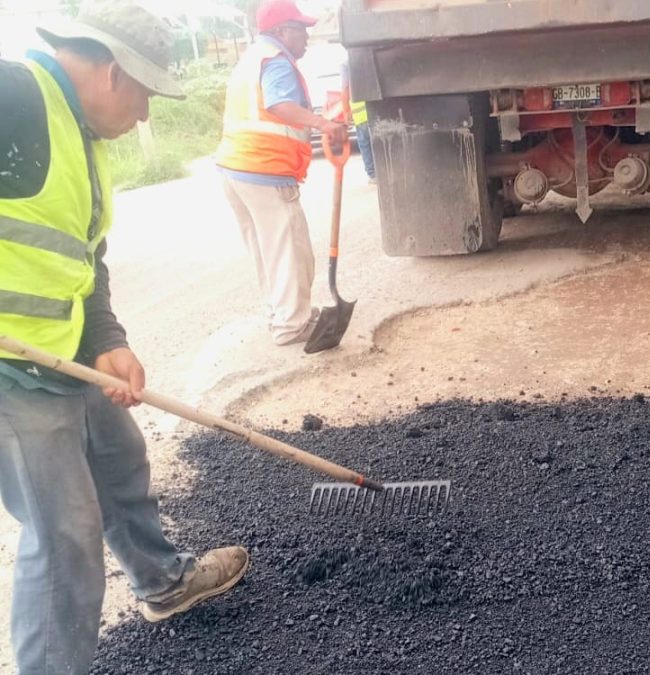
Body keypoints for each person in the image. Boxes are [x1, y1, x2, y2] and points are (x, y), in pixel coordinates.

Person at [0, 2, 249, 672]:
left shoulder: (81, 134)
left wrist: (104, 335)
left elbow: (83, 254)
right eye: (143, 96)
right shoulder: (13, 98)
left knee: (119, 459)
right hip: (10, 368)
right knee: (64, 538)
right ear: (114, 73)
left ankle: (162, 583)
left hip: (67, 351)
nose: (144, 115)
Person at [217, 0, 347, 347]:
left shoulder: (251, 59)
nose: (305, 36)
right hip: (265, 169)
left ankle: (280, 315)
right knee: (290, 248)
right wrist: (322, 123)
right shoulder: (276, 62)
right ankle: (293, 324)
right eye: (300, 29)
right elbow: (278, 104)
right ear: (280, 31)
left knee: (267, 250)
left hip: (236, 168)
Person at [354, 98, 376, 184]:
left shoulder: (347, 83)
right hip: (373, 112)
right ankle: (384, 169)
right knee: (377, 144)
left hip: (360, 118)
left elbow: (345, 93)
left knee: (365, 146)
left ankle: (373, 175)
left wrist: (346, 114)